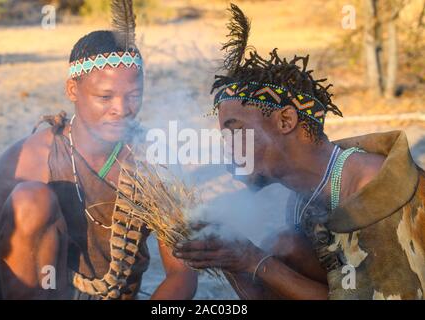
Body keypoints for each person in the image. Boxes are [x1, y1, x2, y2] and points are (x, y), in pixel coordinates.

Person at [173, 4, 425, 300]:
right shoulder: (303, 200)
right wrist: (227, 255)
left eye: (235, 129)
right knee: (284, 247)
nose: (229, 147)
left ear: (286, 121)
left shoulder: (375, 190)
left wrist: (252, 260)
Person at [0, 0, 197, 300]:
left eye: (134, 95)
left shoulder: (156, 159)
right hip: (46, 292)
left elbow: (182, 273)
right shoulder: (29, 158)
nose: (121, 109)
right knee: (30, 200)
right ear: (72, 91)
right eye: (105, 97)